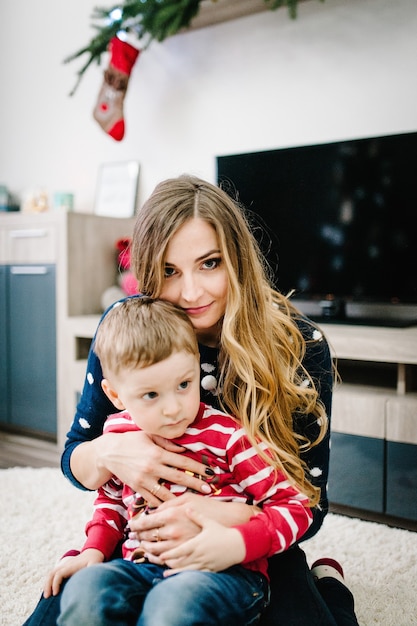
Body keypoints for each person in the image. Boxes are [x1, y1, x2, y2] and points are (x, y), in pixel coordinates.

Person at [24, 174, 359, 626]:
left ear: (236, 259)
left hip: (252, 543)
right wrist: (109, 452)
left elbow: (307, 508)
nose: (191, 293)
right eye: (168, 271)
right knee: (71, 604)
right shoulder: (129, 330)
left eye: (209, 263)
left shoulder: (300, 344)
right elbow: (78, 465)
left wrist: (216, 517)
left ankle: (330, 586)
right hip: (141, 550)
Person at [50, 296, 320, 624]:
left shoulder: (228, 435)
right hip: (139, 568)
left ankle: (330, 585)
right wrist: (93, 551)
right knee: (85, 590)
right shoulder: (118, 435)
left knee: (172, 606)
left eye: (184, 384)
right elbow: (112, 503)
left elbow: (297, 507)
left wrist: (237, 543)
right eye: (151, 394)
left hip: (224, 572)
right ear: (116, 396)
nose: (173, 408)